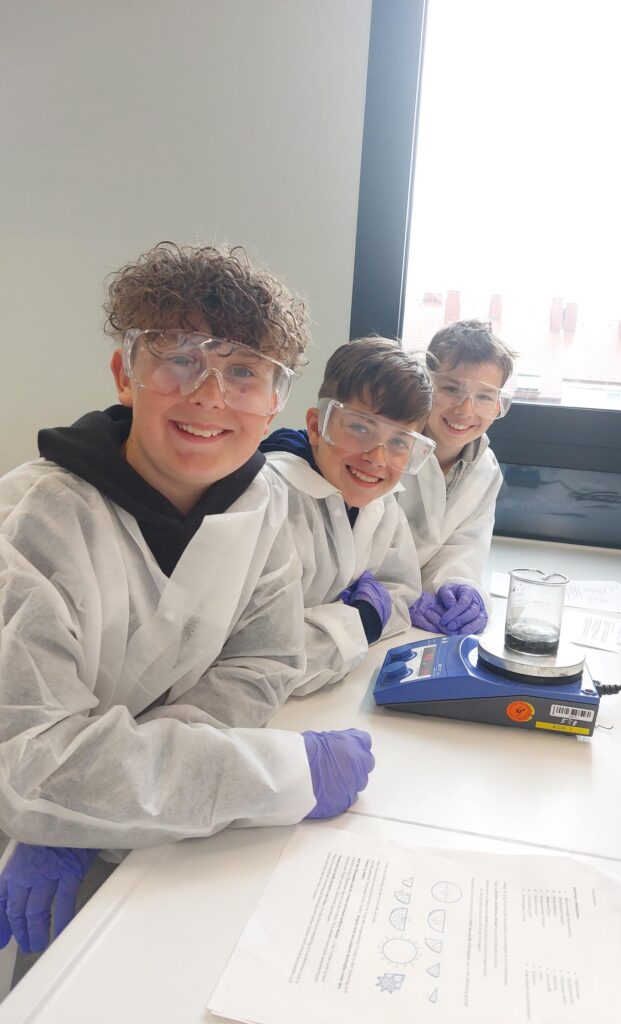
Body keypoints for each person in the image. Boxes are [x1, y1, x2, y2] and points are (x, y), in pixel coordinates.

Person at [0, 242, 374, 958]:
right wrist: (281, 775)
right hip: (24, 846)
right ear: (125, 374)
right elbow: (34, 766)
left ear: (275, 401)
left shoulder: (262, 504)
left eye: (244, 371)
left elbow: (260, 665)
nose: (209, 395)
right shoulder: (33, 522)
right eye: (178, 358)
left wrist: (101, 793)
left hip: (146, 835)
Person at [259, 338, 433, 693]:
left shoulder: (382, 502)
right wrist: (362, 621)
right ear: (315, 426)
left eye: (400, 442)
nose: (377, 458)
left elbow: (400, 594)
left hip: (336, 695)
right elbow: (263, 656)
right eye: (360, 427)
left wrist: (355, 620)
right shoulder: (271, 499)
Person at [399, 319, 515, 636]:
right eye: (451, 389)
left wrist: (460, 588)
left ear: (499, 405)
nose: (465, 410)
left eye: (485, 397)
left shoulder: (486, 469)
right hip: (365, 608)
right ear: (426, 384)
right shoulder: (390, 446)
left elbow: (464, 546)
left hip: (420, 625)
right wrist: (396, 595)